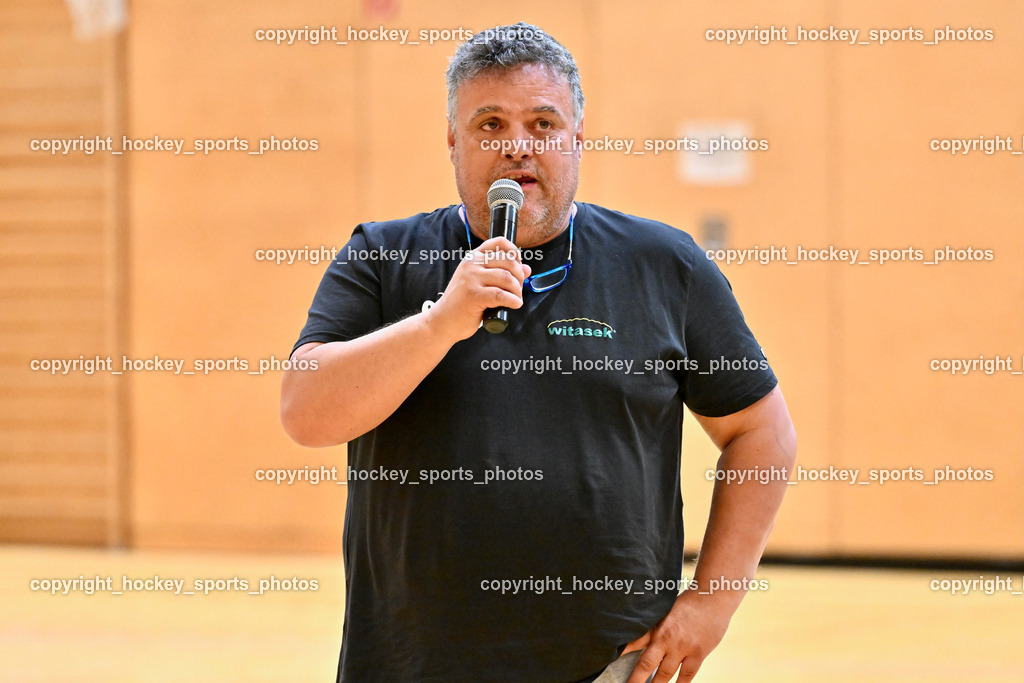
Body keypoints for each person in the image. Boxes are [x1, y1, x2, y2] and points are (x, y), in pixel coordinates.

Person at [281, 21, 797, 683]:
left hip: (608, 667)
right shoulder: (383, 258)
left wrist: (713, 602)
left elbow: (762, 430)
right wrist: (442, 322)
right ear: (452, 140)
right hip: (412, 666)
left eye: (542, 124)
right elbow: (306, 411)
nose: (516, 147)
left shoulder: (663, 265)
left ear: (578, 136)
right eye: (489, 124)